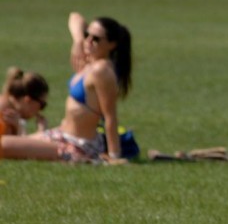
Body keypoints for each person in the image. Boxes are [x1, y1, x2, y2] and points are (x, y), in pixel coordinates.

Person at [0, 12, 132, 163]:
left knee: (3, 144)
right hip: (61, 134)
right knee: (9, 137)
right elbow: (75, 17)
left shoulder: (102, 71)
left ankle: (85, 158)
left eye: (95, 39)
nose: (88, 41)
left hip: (77, 143)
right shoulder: (89, 62)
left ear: (112, 44)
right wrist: (77, 41)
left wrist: (114, 156)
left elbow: (110, 116)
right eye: (87, 35)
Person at [0, 67, 49, 137]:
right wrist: (41, 132)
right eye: (42, 105)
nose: (39, 111)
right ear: (28, 100)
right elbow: (20, 146)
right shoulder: (5, 113)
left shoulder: (11, 111)